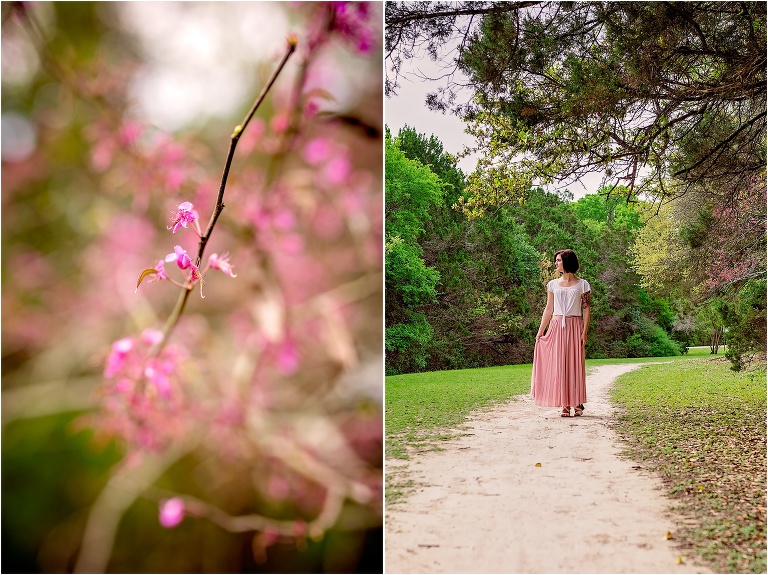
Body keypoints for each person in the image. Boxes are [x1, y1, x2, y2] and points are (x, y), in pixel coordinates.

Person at [531, 249, 591, 417]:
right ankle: (565, 403)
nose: (555, 263)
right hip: (557, 326)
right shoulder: (552, 284)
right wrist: (540, 330)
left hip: (574, 325)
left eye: (558, 260)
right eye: (555, 260)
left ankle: (577, 402)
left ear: (567, 261)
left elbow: (586, 309)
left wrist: (584, 332)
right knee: (559, 365)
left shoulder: (583, 284)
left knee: (575, 364)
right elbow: (549, 308)